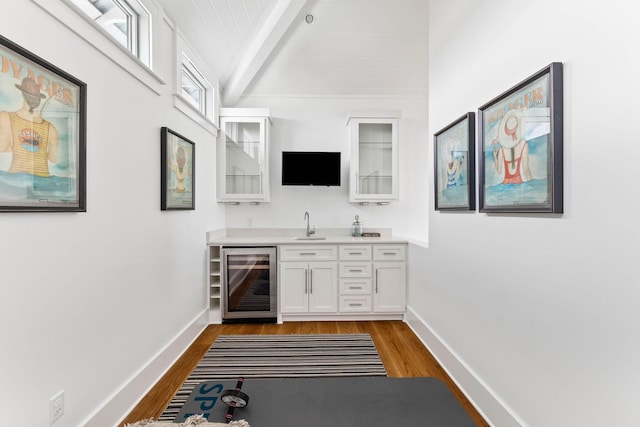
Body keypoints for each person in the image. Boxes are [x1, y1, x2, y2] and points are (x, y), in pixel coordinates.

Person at [0, 77, 59, 177]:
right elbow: (53, 158)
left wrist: (15, 145)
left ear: (23, 93)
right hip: (34, 181)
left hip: (20, 180)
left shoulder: (6, 117)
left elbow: (54, 159)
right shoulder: (51, 128)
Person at [491, 109, 531, 184]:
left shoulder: (502, 150)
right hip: (518, 185)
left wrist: (495, 158)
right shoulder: (523, 145)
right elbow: (526, 170)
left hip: (505, 186)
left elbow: (499, 171)